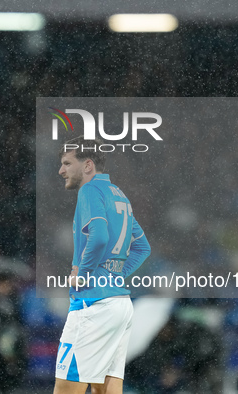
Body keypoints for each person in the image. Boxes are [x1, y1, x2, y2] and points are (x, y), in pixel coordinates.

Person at [54, 136, 151, 394]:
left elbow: (99, 237)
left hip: (92, 305)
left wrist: (84, 275)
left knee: (66, 389)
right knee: (106, 390)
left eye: (66, 163)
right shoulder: (119, 195)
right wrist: (114, 276)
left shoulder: (89, 190)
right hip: (119, 305)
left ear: (87, 166)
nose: (61, 170)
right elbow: (143, 247)